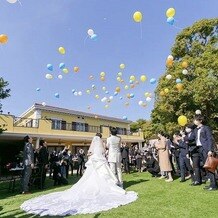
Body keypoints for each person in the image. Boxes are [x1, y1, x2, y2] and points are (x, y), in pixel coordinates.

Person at [20, 133, 137, 216]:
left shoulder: (97, 144)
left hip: (95, 160)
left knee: (91, 175)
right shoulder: (106, 142)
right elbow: (102, 151)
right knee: (106, 173)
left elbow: (91, 152)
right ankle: (115, 185)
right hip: (101, 159)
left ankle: (24, 188)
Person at [193, 115, 217, 191]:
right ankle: (211, 184)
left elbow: (210, 139)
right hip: (199, 148)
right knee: (207, 167)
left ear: (200, 120)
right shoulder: (196, 130)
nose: (194, 121)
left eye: (196, 120)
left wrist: (210, 150)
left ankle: (213, 185)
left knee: (210, 167)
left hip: (206, 149)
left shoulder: (206, 128)